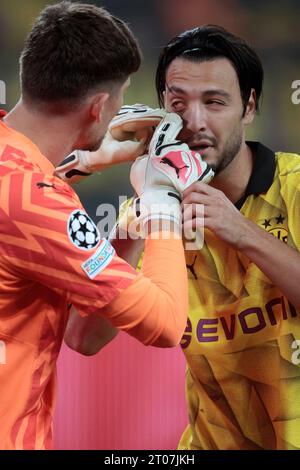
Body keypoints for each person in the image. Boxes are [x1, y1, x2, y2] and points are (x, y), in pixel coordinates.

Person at [65, 25, 300, 450]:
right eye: (178, 104)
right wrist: (138, 218)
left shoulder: (295, 185)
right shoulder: (154, 210)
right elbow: (84, 338)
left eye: (214, 102)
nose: (195, 121)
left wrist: (241, 231)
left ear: (249, 107)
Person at [0, 1, 214, 450]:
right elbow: (164, 323)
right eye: (121, 94)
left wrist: (90, 168)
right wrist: (160, 201)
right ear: (100, 106)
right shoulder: (39, 204)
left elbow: (83, 332)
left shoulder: (25, 182)